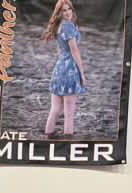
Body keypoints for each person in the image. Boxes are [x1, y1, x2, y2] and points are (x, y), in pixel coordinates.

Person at [42, 0, 88, 138]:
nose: (68, 12)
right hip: (70, 71)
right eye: (64, 10)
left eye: (69, 9)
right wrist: (82, 74)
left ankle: (48, 137)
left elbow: (62, 50)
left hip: (59, 69)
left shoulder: (59, 26)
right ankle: (68, 144)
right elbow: (75, 51)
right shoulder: (68, 26)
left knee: (55, 109)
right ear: (59, 13)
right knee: (69, 114)